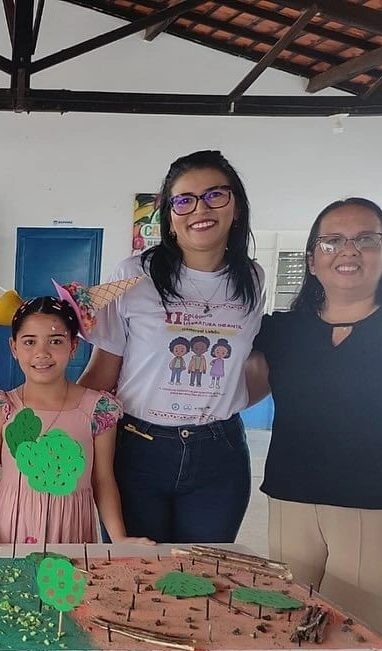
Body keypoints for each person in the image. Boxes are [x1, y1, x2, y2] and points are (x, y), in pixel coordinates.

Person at [79, 149, 265, 544]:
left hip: (219, 451)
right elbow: (104, 369)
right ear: (169, 215)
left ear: (237, 206)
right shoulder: (133, 275)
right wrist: (58, 419)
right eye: (184, 200)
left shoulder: (253, 278)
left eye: (216, 195)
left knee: (204, 576)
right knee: (134, 576)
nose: (201, 208)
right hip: (139, 449)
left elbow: (248, 365)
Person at [247, 198, 382, 639]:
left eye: (366, 239)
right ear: (312, 260)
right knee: (286, 619)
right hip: (290, 497)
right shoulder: (281, 331)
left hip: (374, 504)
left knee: (365, 630)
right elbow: (230, 383)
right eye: (332, 242)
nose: (348, 251)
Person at [0, 297, 149, 546]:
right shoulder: (1, 409)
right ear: (14, 348)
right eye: (30, 342)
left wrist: (119, 538)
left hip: (71, 531)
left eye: (55, 341)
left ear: (73, 346)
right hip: (9, 531)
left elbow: (103, 480)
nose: (42, 353)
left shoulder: (98, 410)